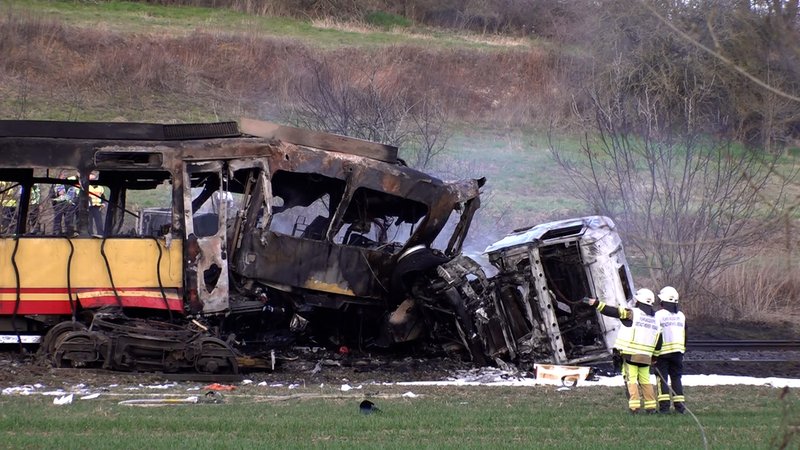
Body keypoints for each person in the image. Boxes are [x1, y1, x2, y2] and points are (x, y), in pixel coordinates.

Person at [585, 288, 660, 414]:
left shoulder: (633, 313)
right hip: (646, 357)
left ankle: (634, 408)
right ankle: (651, 407)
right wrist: (655, 357)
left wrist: (597, 304)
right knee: (645, 381)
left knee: (631, 380)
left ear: (639, 300)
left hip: (631, 355)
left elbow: (614, 312)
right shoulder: (656, 319)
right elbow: (659, 340)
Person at [654, 286, 687, 414]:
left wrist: (653, 354)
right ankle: (680, 407)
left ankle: (664, 408)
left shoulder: (658, 315)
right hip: (678, 352)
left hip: (662, 353)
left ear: (663, 301)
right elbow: (686, 333)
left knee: (661, 379)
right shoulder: (681, 315)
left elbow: (656, 335)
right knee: (676, 378)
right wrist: (682, 349)